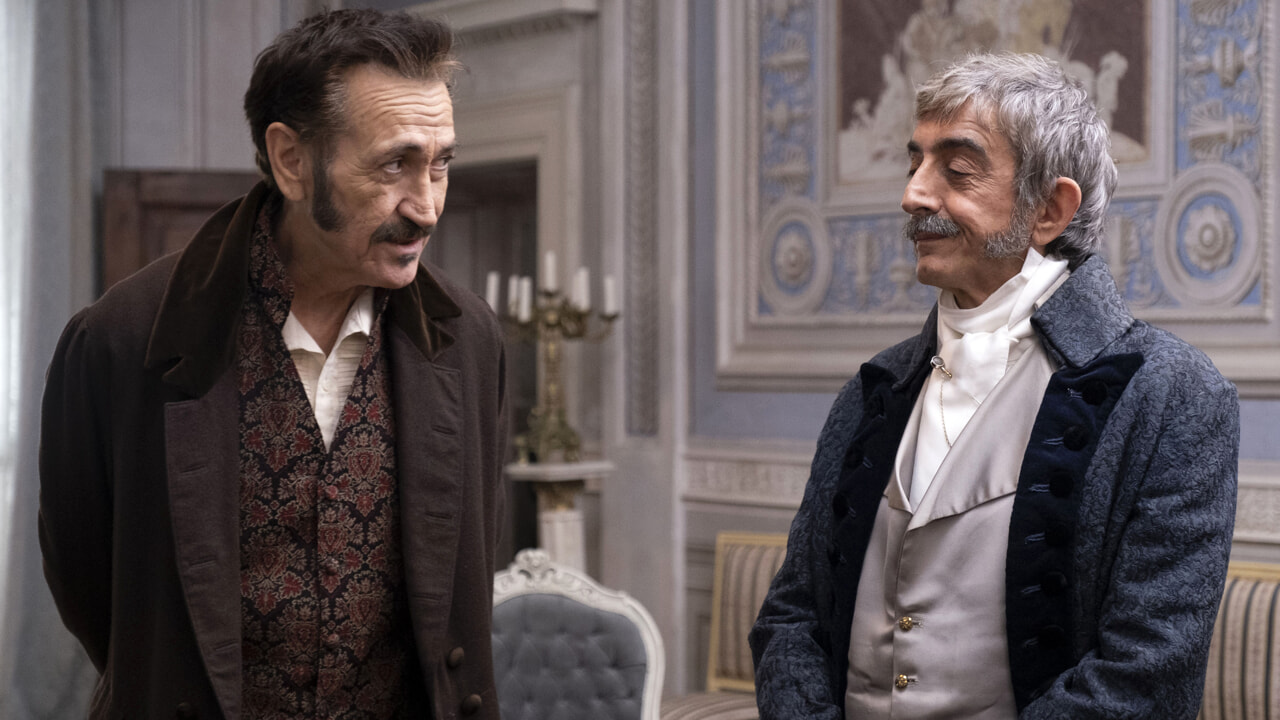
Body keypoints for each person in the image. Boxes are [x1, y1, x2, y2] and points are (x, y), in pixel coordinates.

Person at [39, 9, 507, 719]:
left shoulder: (469, 341)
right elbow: (89, 585)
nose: (426, 207)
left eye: (440, 164)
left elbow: (467, 572)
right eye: (394, 164)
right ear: (290, 160)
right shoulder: (120, 341)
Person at [750, 53, 1238, 719]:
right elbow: (792, 616)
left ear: (1050, 209)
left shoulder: (1173, 396)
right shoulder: (871, 391)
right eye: (914, 164)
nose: (913, 195)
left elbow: (1144, 678)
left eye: (956, 169)